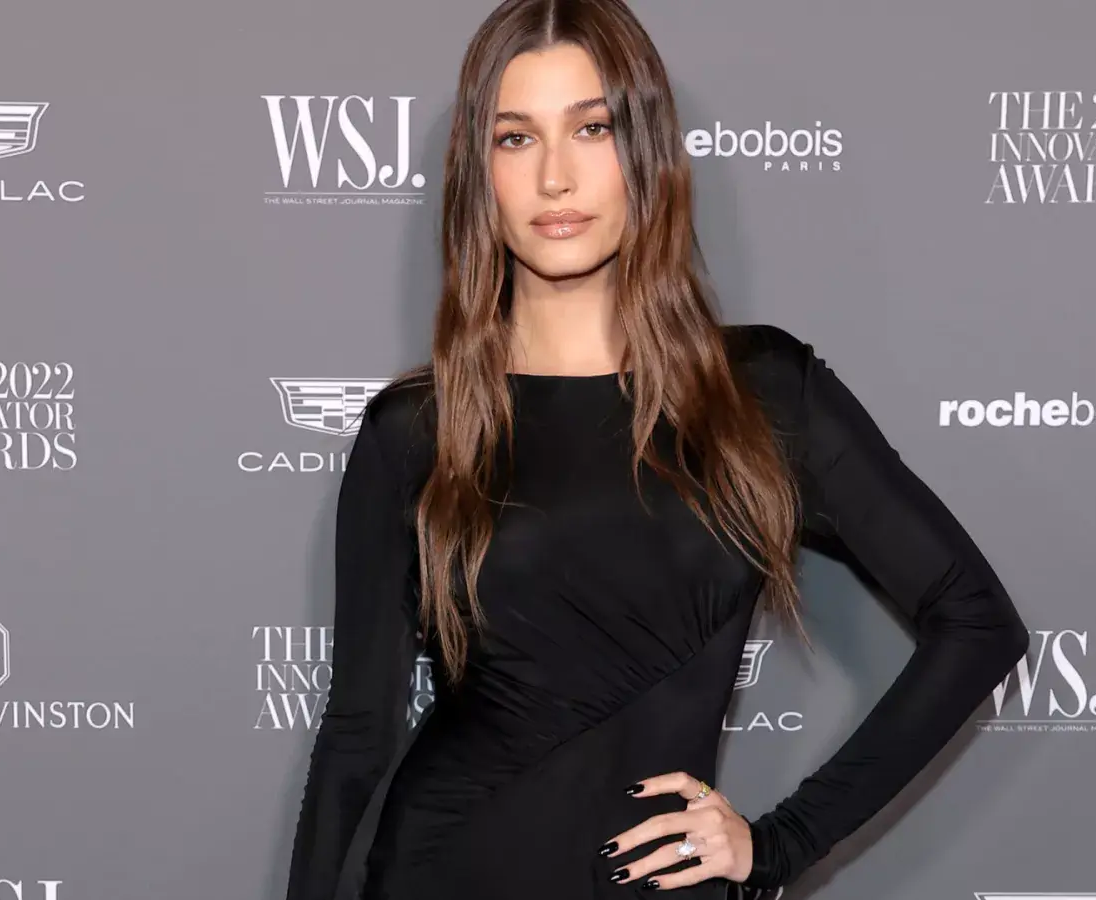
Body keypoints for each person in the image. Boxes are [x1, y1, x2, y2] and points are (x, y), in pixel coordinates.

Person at [284, 0, 1031, 897]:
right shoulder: (416, 428)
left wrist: (781, 844)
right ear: (479, 175)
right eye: (515, 138)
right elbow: (357, 732)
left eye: (591, 128)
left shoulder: (760, 393)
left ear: (645, 150)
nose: (555, 176)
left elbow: (978, 623)